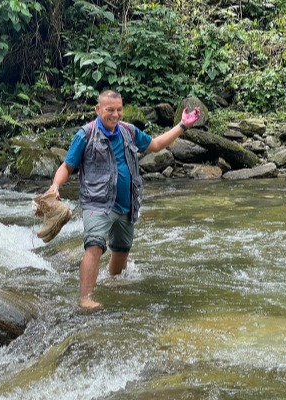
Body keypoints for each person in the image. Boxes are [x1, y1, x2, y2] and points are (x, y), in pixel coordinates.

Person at [47, 89, 200, 309]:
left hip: (127, 203)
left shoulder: (128, 131)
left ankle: (112, 286)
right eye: (110, 110)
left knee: (121, 249)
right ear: (98, 109)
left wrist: (183, 125)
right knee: (95, 246)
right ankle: (86, 298)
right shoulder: (86, 134)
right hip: (96, 203)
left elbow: (156, 145)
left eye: (119, 109)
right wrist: (55, 185)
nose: (116, 114)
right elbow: (67, 166)